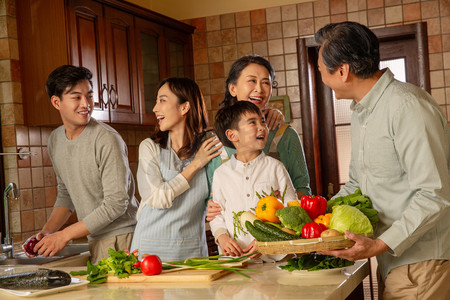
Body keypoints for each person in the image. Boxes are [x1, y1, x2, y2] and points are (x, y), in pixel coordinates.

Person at [314, 22, 450, 299]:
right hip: (393, 261)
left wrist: (378, 244)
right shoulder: (362, 112)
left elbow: (434, 195)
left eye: (320, 70)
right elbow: (357, 184)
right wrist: (315, 219)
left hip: (423, 265)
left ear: (342, 71)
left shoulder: (407, 107)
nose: (320, 76)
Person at [24, 65, 139, 264]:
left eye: (89, 96)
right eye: (76, 97)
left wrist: (64, 235)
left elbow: (116, 203)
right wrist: (47, 232)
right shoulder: (55, 140)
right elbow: (66, 194)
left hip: (123, 239)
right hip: (95, 238)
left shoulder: (106, 139)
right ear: (56, 102)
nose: (86, 104)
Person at [206, 55, 311, 220]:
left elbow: (303, 191)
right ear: (232, 89)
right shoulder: (213, 142)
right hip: (233, 241)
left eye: (265, 82)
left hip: (276, 234)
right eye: (252, 81)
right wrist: (208, 206)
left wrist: (279, 203)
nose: (259, 89)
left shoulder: (286, 135)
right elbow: (208, 197)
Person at [130, 77, 222, 261]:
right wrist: (196, 164)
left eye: (162, 100)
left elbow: (221, 192)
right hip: (149, 252)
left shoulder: (210, 146)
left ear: (184, 107)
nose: (155, 108)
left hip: (192, 252)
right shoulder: (150, 147)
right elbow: (157, 198)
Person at [210, 101, 297, 259]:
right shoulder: (221, 174)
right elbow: (217, 215)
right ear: (232, 135)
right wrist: (222, 238)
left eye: (262, 121)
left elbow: (292, 211)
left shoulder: (276, 168)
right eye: (252, 122)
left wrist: (265, 242)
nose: (262, 127)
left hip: (276, 260)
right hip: (237, 262)